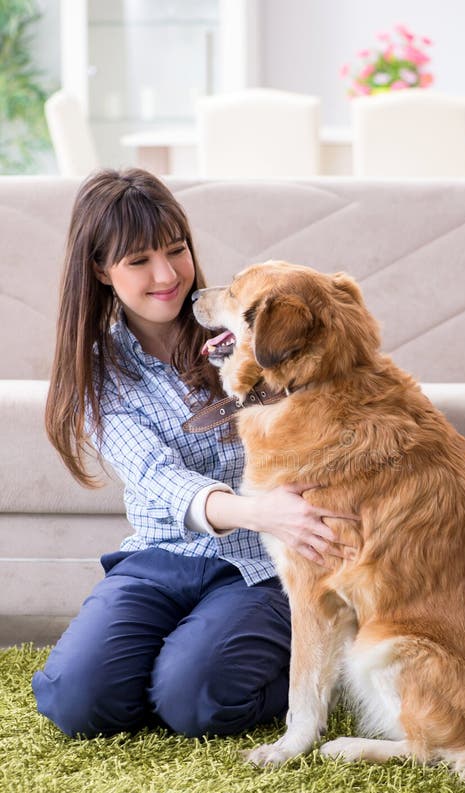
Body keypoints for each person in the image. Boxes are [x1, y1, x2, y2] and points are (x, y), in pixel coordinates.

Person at [32, 168, 355, 739]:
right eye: (138, 262)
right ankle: (186, 658)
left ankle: (320, 666)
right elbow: (155, 475)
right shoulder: (99, 369)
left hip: (258, 563)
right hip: (158, 558)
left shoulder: (244, 331)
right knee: (75, 699)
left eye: (176, 251)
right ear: (101, 272)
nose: (167, 275)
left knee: (195, 700)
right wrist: (259, 508)